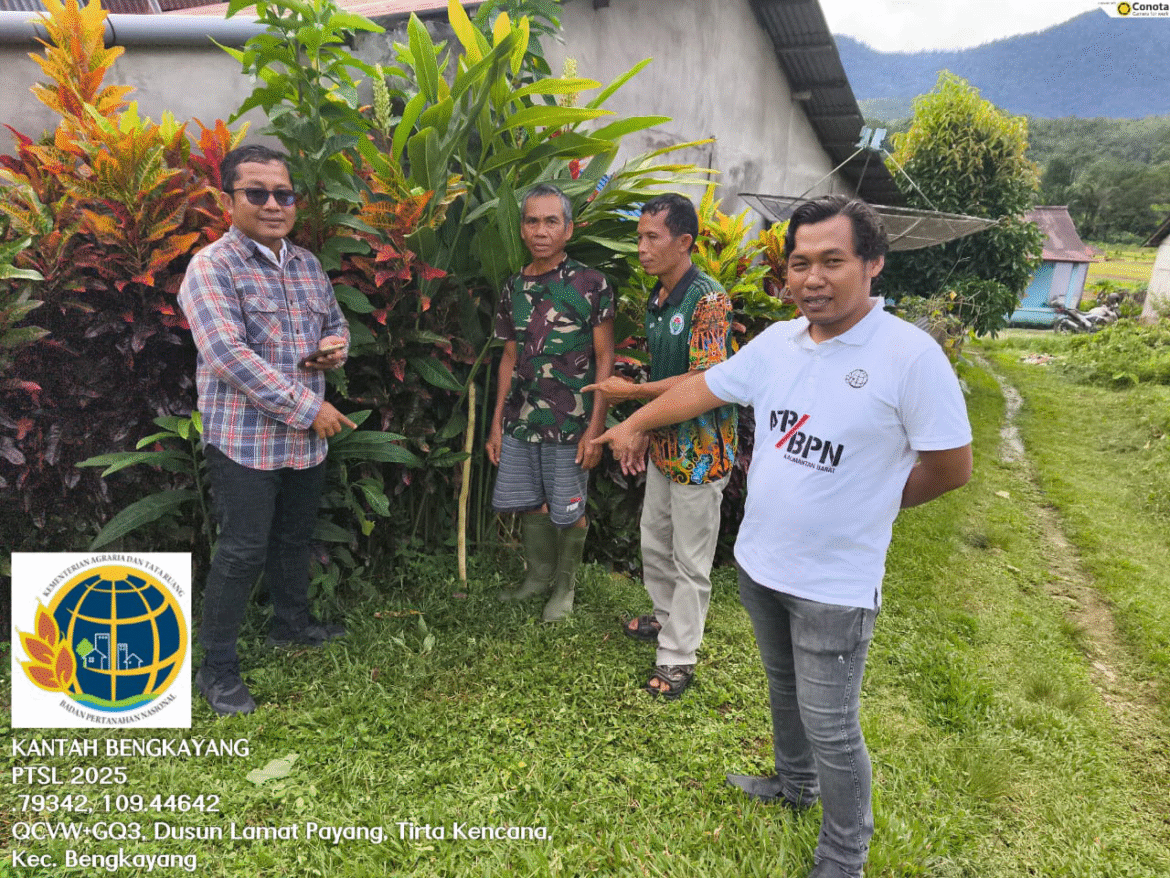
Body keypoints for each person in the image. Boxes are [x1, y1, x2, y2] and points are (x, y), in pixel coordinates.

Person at [592, 195, 972, 878]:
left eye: (833, 261)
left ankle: (843, 854)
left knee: (832, 722)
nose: (813, 278)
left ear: (873, 263)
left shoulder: (909, 357)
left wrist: (873, 506)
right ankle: (793, 787)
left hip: (836, 583)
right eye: (800, 263)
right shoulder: (779, 344)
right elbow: (706, 388)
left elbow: (950, 466)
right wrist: (637, 422)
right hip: (762, 565)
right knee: (781, 690)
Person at [178, 144, 355, 717]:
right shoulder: (212, 267)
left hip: (304, 443)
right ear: (229, 199)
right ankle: (217, 668)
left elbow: (335, 322)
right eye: (258, 193)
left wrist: (335, 349)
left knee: (293, 538)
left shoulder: (306, 264)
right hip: (245, 440)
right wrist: (310, 408)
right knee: (240, 551)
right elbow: (227, 355)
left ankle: (291, 625)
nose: (274, 204)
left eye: (284, 194)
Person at [584, 193, 737, 699]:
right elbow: (668, 375)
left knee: (691, 558)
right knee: (655, 539)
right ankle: (665, 620)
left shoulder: (708, 300)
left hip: (702, 451)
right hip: (666, 446)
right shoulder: (658, 298)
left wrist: (630, 397)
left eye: (653, 237)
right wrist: (646, 427)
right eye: (639, 236)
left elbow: (704, 380)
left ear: (684, 242)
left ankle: (678, 657)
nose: (642, 248)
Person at [485, 183, 615, 622]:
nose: (540, 230)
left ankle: (565, 588)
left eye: (551, 221)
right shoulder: (513, 288)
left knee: (568, 503)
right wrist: (498, 422)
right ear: (522, 229)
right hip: (523, 417)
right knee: (532, 500)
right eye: (532, 220)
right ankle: (537, 578)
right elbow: (508, 356)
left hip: (572, 420)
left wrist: (596, 428)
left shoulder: (591, 284)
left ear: (568, 228)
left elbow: (605, 358)